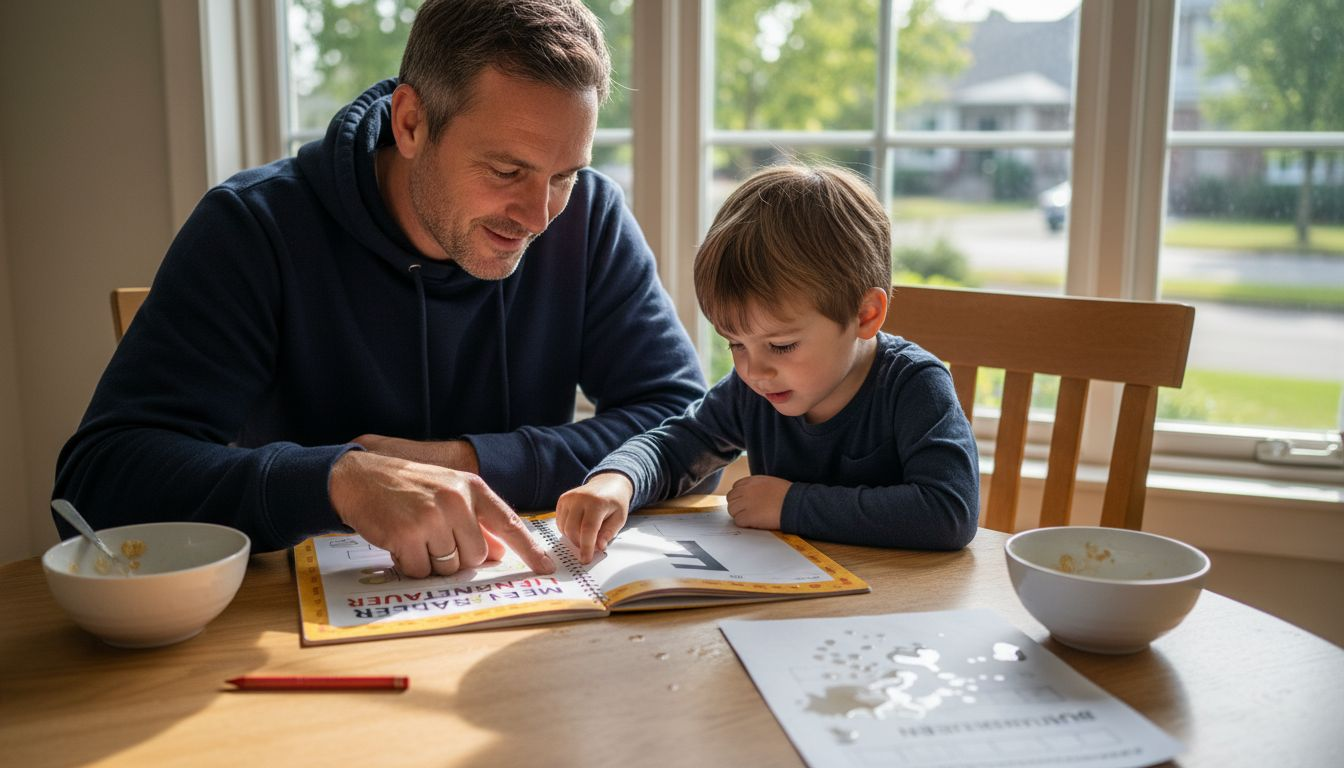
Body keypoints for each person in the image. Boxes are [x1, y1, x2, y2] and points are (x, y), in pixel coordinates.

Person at [52, 0, 710, 579]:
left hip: (519, 614)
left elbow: (686, 420)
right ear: (411, 123)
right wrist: (335, 481)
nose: (539, 217)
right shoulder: (254, 228)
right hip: (293, 636)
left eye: (563, 175)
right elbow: (97, 483)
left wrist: (467, 463)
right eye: (507, 170)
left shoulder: (587, 218)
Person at [556, 164, 980, 563]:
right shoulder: (755, 391)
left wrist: (791, 505)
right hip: (794, 596)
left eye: (781, 345)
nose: (754, 371)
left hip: (901, 603)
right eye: (735, 344)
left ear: (865, 316)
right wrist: (618, 480)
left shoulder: (914, 386)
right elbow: (676, 446)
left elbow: (950, 512)